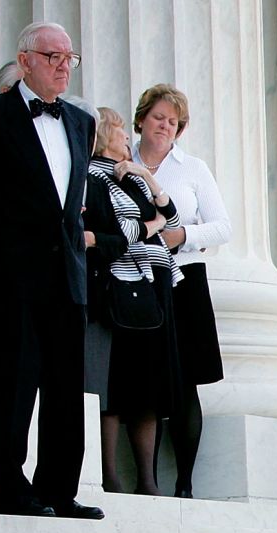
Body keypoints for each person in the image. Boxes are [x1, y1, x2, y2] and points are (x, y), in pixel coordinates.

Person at [0, 21, 101, 520]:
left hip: (67, 278)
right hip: (9, 278)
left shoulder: (81, 123)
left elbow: (73, 202)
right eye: (52, 56)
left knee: (64, 387)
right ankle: (12, 488)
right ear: (25, 60)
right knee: (12, 384)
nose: (63, 66)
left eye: (69, 58)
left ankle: (59, 488)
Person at [130, 84, 227, 499]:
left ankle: (185, 484)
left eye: (173, 122)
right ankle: (145, 479)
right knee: (143, 378)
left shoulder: (193, 168)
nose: (165, 126)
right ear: (141, 120)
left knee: (186, 380)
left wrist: (182, 235)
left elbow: (223, 227)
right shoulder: (120, 161)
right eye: (158, 118)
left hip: (185, 280)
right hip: (136, 280)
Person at [83, 107, 184, 495]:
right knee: (113, 385)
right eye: (122, 131)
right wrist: (152, 225)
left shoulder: (131, 177)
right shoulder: (93, 176)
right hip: (114, 287)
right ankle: (110, 474)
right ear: (106, 134)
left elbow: (172, 219)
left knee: (148, 386)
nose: (128, 139)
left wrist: (144, 175)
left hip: (151, 285)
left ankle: (148, 479)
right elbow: (112, 230)